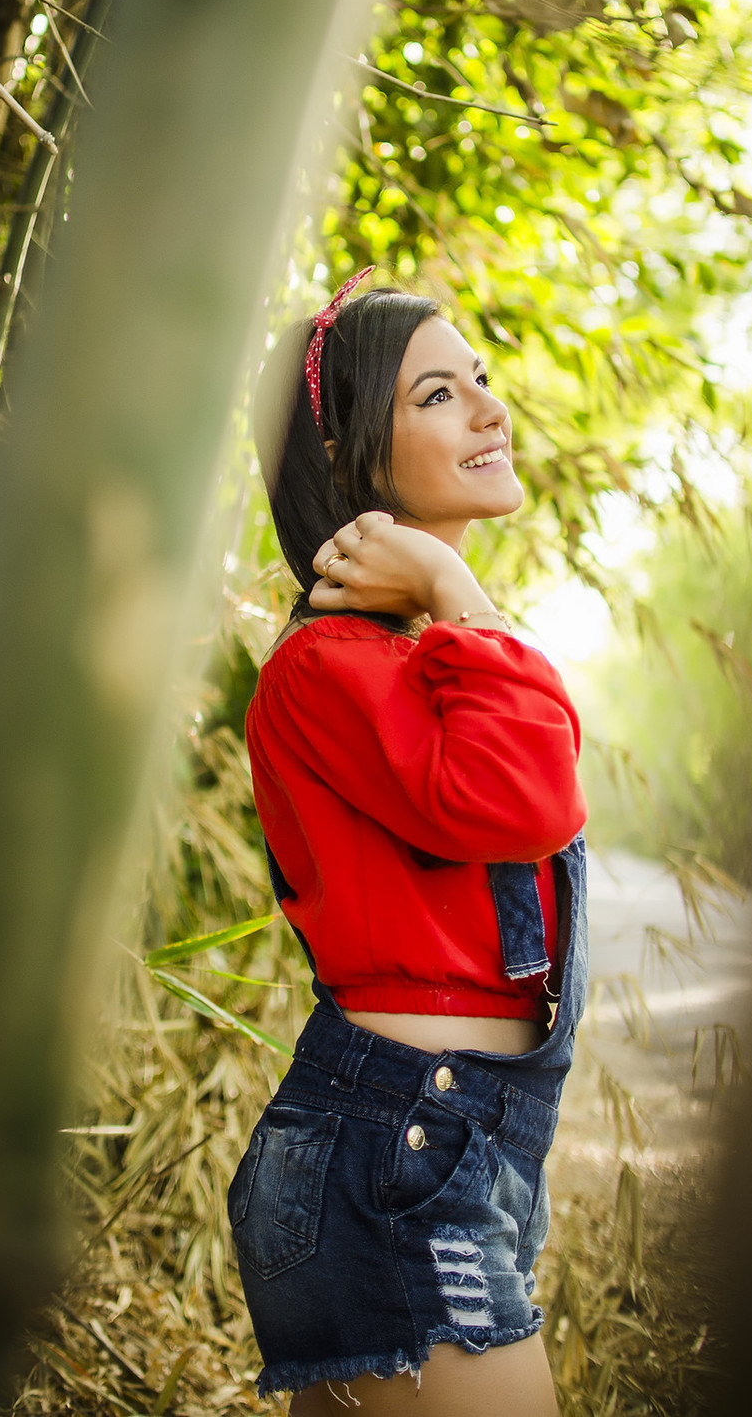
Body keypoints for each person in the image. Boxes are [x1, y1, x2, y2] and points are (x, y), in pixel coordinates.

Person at [230, 269, 588, 1415]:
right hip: (402, 1147)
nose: (491, 407)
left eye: (480, 377)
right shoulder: (326, 668)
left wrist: (446, 601)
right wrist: (447, 578)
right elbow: (527, 792)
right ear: (347, 462)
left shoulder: (420, 657)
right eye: (440, 393)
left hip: (452, 1142)